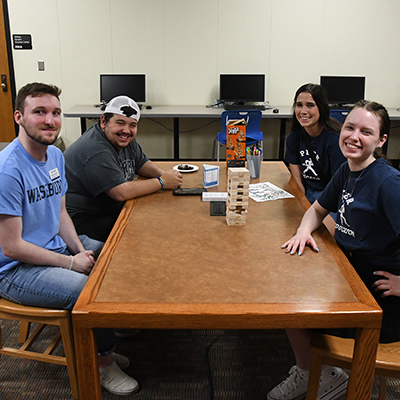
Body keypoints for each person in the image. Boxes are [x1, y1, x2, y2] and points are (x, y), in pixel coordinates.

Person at [0, 83, 139, 396]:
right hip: (14, 270)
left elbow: (61, 213)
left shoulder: (54, 157)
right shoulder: (8, 171)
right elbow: (12, 247)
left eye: (56, 112)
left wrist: (79, 249)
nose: (50, 120)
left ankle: (100, 342)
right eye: (40, 112)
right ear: (19, 117)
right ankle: (102, 363)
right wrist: (70, 263)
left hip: (53, 246)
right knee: (88, 289)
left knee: (115, 255)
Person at [268, 100, 400, 400]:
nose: (354, 136)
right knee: (289, 285)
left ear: (381, 141)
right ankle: (315, 367)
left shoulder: (388, 183)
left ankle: (322, 375)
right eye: (350, 127)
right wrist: (303, 231)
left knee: (294, 309)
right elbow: (317, 209)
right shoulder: (348, 170)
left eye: (366, 132)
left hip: (382, 299)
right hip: (355, 276)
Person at [64, 95, 183, 242]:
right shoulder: (95, 149)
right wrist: (162, 182)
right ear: (103, 122)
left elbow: (141, 163)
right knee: (141, 234)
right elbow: (120, 192)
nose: (126, 130)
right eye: (120, 123)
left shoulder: (123, 139)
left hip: (105, 208)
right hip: (81, 219)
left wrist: (165, 175)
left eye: (132, 125)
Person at [285, 84, 346, 235]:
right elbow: (297, 179)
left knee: (325, 236)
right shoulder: (294, 137)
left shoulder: (334, 140)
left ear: (321, 108)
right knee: (289, 225)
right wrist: (303, 205)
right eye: (299, 105)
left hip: (330, 198)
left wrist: (316, 211)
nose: (303, 111)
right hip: (309, 193)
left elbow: (338, 187)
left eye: (310, 105)